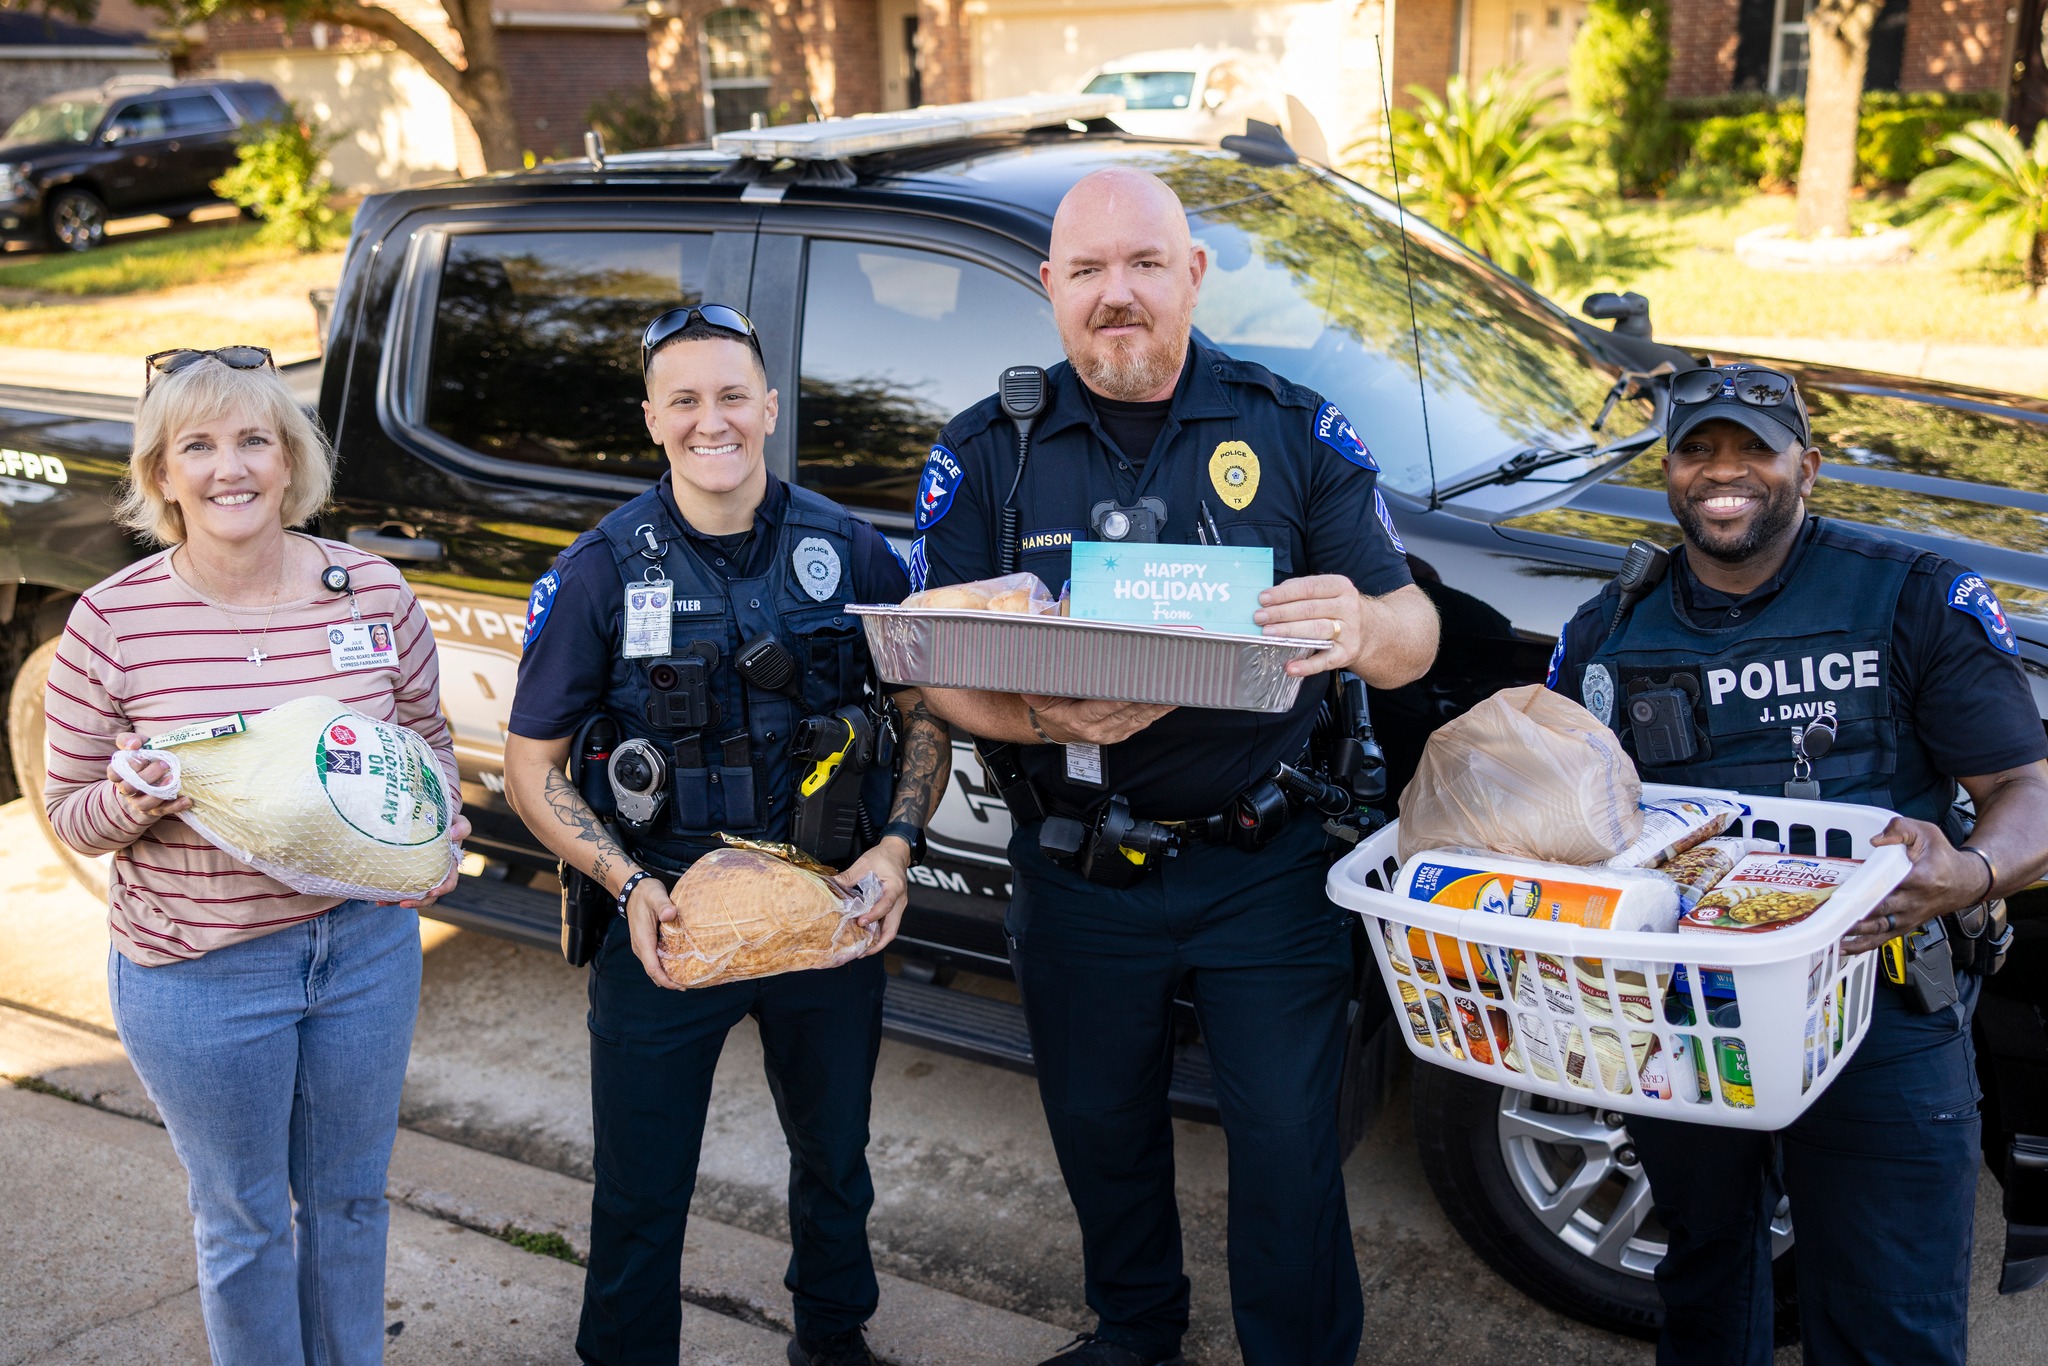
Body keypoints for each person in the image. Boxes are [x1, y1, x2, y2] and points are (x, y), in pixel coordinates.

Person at [911, 169, 1440, 1366]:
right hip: (1076, 863)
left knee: (1288, 1146)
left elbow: (1415, 638)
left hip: (1262, 866)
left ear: (1191, 276)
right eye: (1086, 271)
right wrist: (1047, 722)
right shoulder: (989, 449)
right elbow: (929, 655)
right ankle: (1135, 1332)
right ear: (1048, 289)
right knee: (1099, 1130)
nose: (1116, 296)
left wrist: (1357, 625)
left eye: (1143, 265)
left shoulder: (1287, 426)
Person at [1547, 362, 2048, 1365]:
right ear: (1667, 471)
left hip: (1880, 1003)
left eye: (1750, 450)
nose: (1720, 473)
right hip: (1685, 1016)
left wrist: (1973, 873)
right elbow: (1550, 804)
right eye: (1696, 450)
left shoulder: (1906, 597)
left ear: (1804, 468)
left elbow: (2025, 791)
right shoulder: (1607, 630)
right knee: (1702, 1281)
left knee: (1887, 1313)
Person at [502, 305, 952, 1366]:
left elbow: (927, 707)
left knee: (836, 1160)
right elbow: (530, 766)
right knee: (641, 1183)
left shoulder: (849, 551)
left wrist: (892, 845)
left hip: (823, 912)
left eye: (732, 395)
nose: (714, 420)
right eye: (687, 399)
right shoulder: (603, 571)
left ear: (769, 407)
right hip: (666, 918)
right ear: (652, 418)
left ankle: (833, 1339)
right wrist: (623, 883)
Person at [42, 346, 468, 1365]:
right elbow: (69, 811)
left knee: (351, 1201)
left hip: (363, 953)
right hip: (203, 968)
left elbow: (426, 745)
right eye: (198, 445)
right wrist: (132, 797)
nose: (229, 467)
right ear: (162, 475)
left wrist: (435, 830)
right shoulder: (114, 620)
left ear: (289, 463)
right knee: (243, 1216)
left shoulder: (368, 589)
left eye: (253, 440)